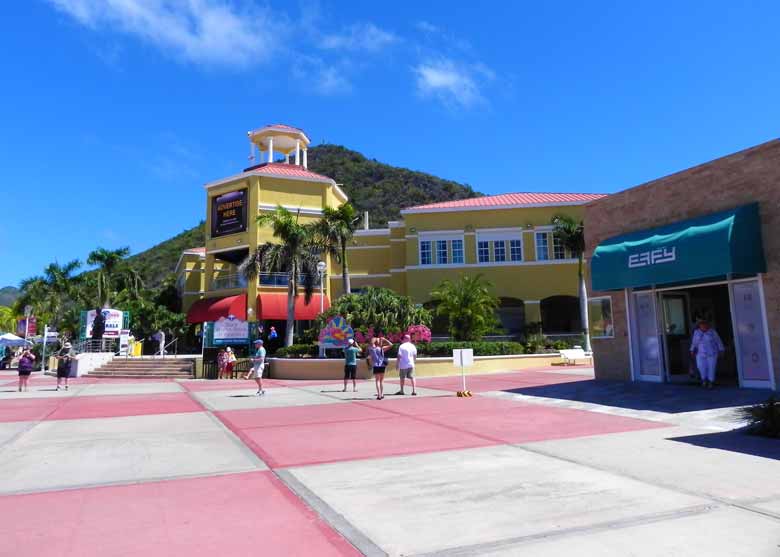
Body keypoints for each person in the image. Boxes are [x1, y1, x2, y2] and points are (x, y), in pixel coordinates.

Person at [690, 319, 725, 389]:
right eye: (701, 324)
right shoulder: (696, 332)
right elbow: (694, 342)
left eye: (704, 324)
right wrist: (692, 350)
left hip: (712, 353)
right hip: (700, 353)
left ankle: (710, 382)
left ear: (707, 325)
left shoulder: (712, 332)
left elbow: (718, 341)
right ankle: (704, 379)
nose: (703, 326)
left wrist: (721, 350)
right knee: (700, 366)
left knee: (711, 367)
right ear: (699, 326)